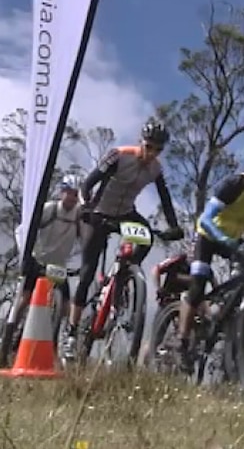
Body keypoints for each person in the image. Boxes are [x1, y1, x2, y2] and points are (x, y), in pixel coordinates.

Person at [63, 121, 184, 359]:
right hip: (97, 213)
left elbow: (166, 199)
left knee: (147, 238)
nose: (151, 154)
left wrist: (174, 226)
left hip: (125, 214)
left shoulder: (156, 169)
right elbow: (88, 184)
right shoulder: (119, 156)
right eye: (149, 147)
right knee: (87, 274)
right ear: (141, 142)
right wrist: (86, 206)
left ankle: (123, 279)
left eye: (157, 150)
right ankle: (71, 332)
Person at [175, 147, 244, 371]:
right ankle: (182, 341)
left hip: (233, 242)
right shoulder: (234, 185)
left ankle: (225, 322)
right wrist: (224, 239)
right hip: (208, 236)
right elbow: (205, 219)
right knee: (198, 286)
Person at [1, 174, 87, 365]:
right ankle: (7, 338)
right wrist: (25, 252)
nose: (72, 198)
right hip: (38, 260)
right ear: (61, 192)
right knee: (23, 300)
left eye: (75, 194)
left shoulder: (78, 216)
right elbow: (24, 228)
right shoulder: (50, 209)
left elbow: (85, 240)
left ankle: (55, 343)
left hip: (59, 266)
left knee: (65, 307)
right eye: (69, 193)